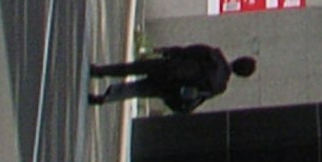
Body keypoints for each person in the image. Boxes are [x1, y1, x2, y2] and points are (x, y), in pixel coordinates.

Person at [88, 45, 254, 113]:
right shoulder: (220, 87)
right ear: (241, 75)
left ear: (239, 59)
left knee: (132, 68)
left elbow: (188, 50)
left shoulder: (215, 55)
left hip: (169, 67)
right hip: (172, 88)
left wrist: (166, 51)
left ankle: (100, 71)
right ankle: (104, 98)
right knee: (138, 90)